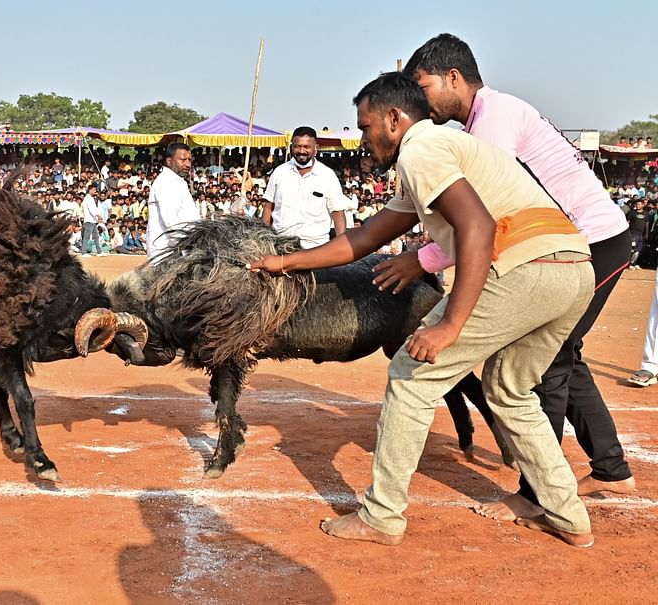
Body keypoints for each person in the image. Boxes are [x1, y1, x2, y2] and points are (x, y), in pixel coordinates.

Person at [251, 72, 596, 548]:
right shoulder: (439, 150)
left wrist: (451, 324)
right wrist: (286, 261)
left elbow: (477, 227)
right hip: (573, 268)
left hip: (524, 265)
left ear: (395, 119)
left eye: (366, 125)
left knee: (411, 377)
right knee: (511, 390)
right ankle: (566, 514)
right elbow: (366, 237)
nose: (363, 137)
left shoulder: (421, 151)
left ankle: (381, 516)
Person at [373, 33, 635, 519]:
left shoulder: (490, 121)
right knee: (563, 356)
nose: (416, 100)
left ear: (453, 78)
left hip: (584, 241)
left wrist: (422, 261)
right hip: (574, 241)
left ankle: (537, 498)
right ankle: (611, 467)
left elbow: (481, 219)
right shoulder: (483, 118)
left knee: (543, 365)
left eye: (421, 86)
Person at [260, 128, 347, 248]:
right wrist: (264, 242)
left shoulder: (327, 175)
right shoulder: (279, 173)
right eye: (297, 146)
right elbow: (268, 208)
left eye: (306, 147)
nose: (302, 151)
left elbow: (337, 212)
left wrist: (341, 245)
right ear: (291, 147)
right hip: (280, 245)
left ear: (316, 148)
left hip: (315, 248)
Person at [146, 141, 198, 262]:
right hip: (168, 253)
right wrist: (188, 250)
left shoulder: (177, 182)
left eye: (189, 160)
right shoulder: (166, 183)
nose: (187, 164)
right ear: (169, 161)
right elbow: (171, 223)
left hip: (178, 251)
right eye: (183, 160)